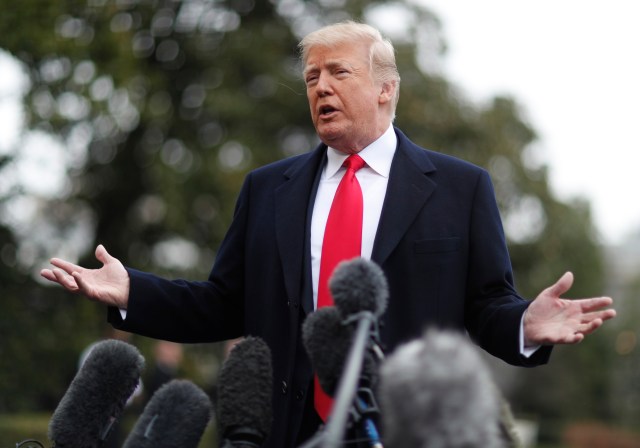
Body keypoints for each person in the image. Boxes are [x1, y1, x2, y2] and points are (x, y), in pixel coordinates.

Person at [41, 21, 616, 448]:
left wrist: (524, 324)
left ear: (386, 88)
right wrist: (131, 292)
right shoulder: (268, 189)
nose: (320, 87)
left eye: (339, 72)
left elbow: (486, 304)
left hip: (401, 431)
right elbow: (223, 305)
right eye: (312, 76)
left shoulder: (460, 188)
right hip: (280, 431)